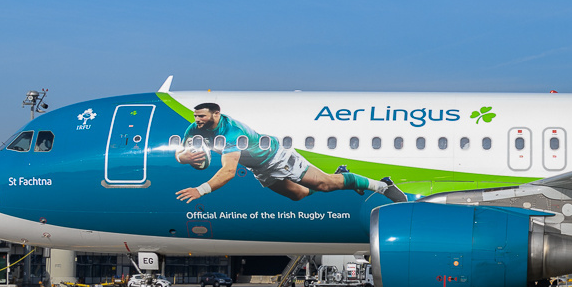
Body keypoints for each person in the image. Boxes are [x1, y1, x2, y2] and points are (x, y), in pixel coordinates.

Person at [174, 102, 407, 204]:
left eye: (202, 116)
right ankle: (342, 178)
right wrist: (184, 157)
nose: (197, 120)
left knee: (325, 185)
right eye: (196, 116)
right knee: (298, 195)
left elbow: (228, 172)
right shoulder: (195, 127)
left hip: (276, 157)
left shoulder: (232, 133)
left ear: (216, 115)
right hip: (260, 168)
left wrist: (200, 190)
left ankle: (383, 186)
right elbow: (180, 152)